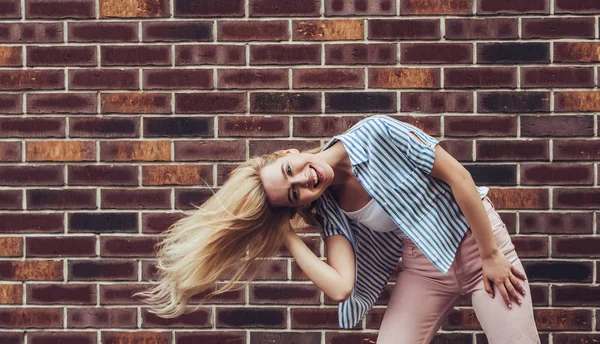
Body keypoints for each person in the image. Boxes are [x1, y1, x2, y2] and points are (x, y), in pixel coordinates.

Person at [136, 115, 540, 343]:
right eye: (294, 195)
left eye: (290, 171)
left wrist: (491, 255)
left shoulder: (376, 133)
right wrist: (286, 233)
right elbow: (340, 286)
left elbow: (460, 179)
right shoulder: (327, 205)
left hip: (475, 242)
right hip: (422, 266)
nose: (304, 181)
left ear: (289, 153)